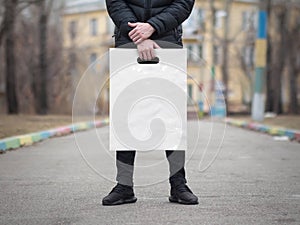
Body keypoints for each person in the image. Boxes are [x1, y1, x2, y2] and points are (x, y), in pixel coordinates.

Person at [103, 0, 198, 205]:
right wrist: (137, 34)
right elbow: (115, 2)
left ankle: (178, 184)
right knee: (126, 114)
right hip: (128, 40)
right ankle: (124, 185)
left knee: (172, 116)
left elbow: (183, 2)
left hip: (167, 40)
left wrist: (153, 26)